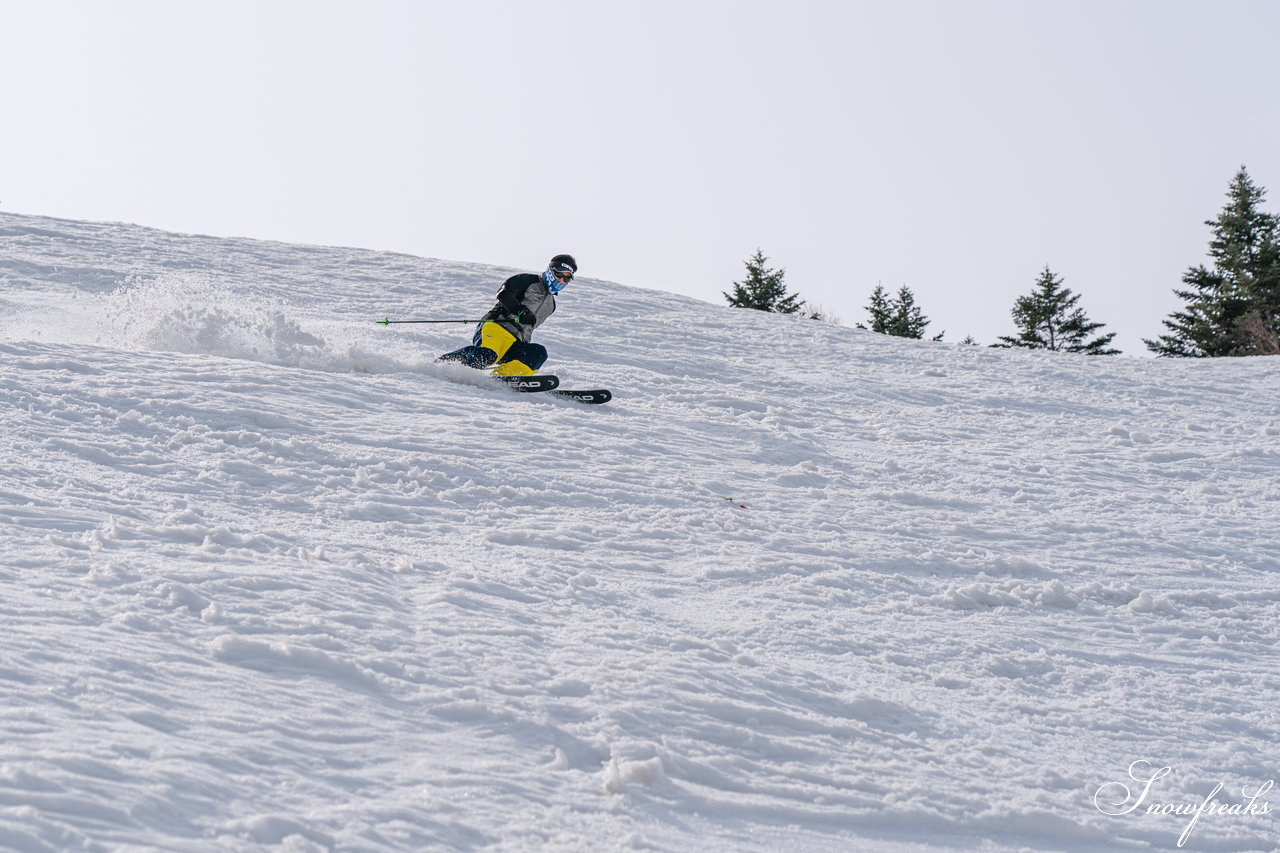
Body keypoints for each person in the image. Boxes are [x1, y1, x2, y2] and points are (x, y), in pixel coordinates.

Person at [438, 254, 577, 376]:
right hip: (496, 328)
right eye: (559, 275)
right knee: (487, 356)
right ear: (550, 270)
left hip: (516, 341)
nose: (561, 281)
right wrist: (520, 311)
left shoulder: (551, 305)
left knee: (537, 353)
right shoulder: (527, 281)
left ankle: (501, 378)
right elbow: (503, 294)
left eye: (566, 279)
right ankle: (445, 363)